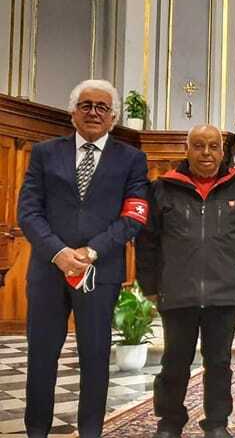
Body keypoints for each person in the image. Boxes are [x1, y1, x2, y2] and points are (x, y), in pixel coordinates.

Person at [18, 79, 149, 438]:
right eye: (86, 105)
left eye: (102, 107)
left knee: (95, 358)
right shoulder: (45, 152)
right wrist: (59, 253)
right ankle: (36, 431)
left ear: (113, 117)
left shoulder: (132, 159)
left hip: (100, 271)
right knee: (41, 357)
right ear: (73, 112)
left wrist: (91, 251)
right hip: (47, 271)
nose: (93, 112)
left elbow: (135, 215)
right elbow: (28, 212)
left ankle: (91, 431)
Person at [136, 124, 235, 438]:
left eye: (212, 146)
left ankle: (217, 423)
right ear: (187, 149)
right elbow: (147, 241)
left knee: (219, 363)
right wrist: (150, 285)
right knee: (174, 363)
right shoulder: (162, 189)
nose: (206, 153)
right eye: (198, 146)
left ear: (223, 152)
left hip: (225, 294)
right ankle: (169, 422)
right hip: (178, 291)